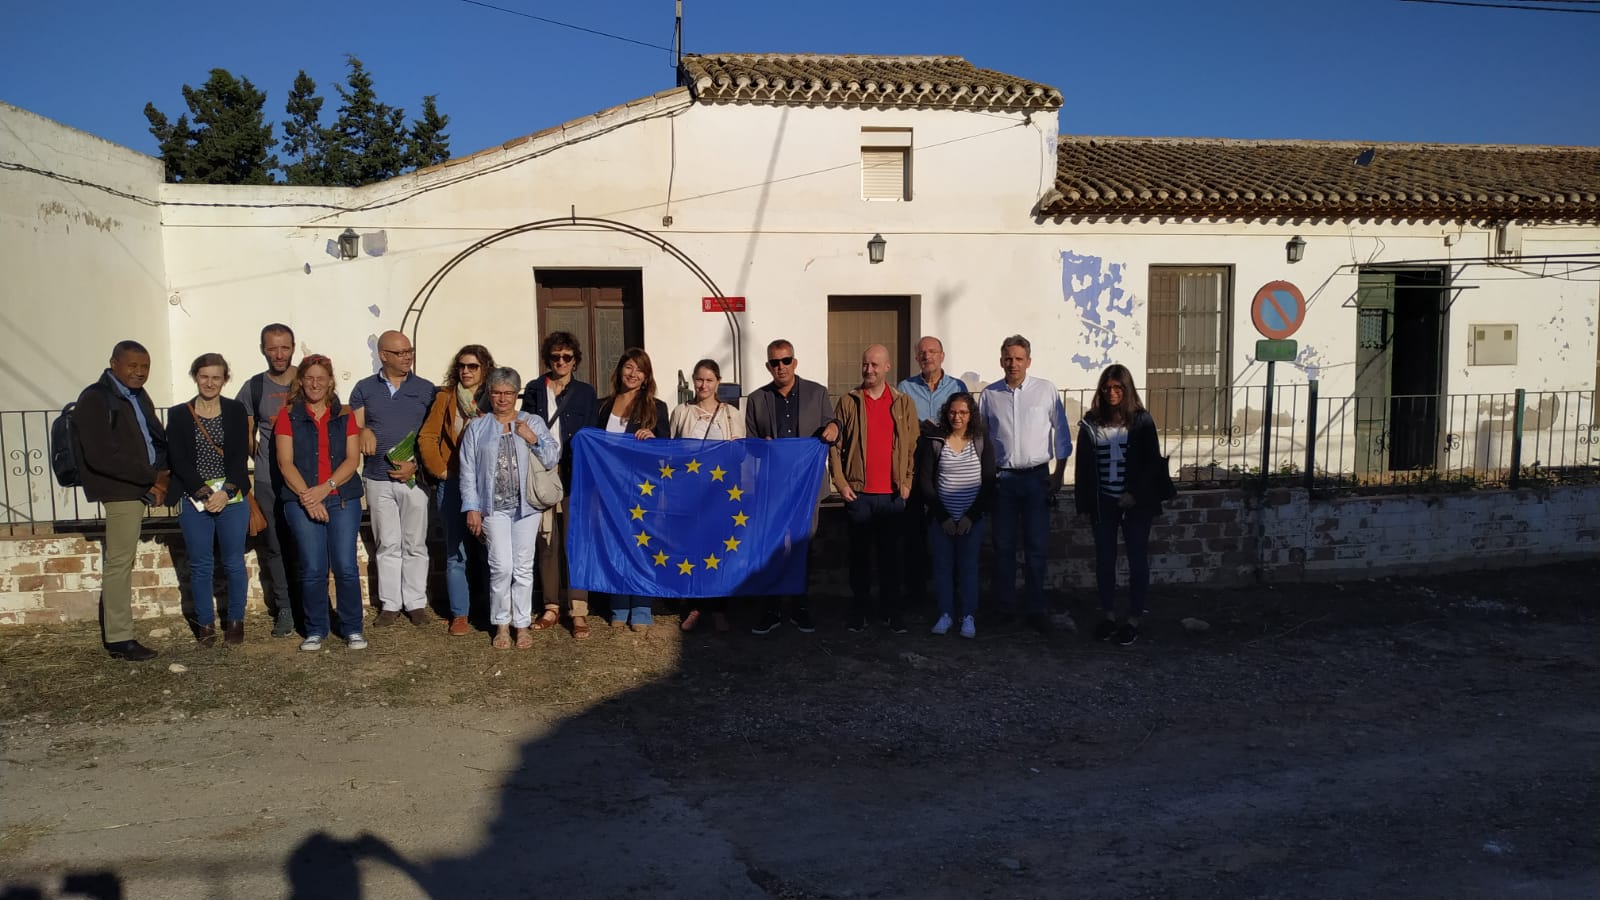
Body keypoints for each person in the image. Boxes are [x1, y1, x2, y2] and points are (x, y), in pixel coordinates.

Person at [75, 340, 169, 661]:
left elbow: (156, 438)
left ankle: (120, 634)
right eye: (132, 366)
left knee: (122, 560)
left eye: (144, 367)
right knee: (119, 563)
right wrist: (149, 477)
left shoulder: (138, 397)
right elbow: (102, 455)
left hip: (141, 484)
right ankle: (119, 638)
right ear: (114, 363)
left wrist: (162, 474)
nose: (139, 372)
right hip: (121, 489)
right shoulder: (95, 398)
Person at [743, 339, 839, 635]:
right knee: (771, 546)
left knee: (803, 545)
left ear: (795, 362)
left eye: (786, 361)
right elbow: (750, 445)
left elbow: (832, 425)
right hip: (772, 487)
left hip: (807, 486)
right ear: (768, 366)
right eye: (775, 362)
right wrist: (763, 447)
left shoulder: (817, 392)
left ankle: (800, 606)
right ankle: (771, 608)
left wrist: (834, 427)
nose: (781, 367)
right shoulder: (757, 399)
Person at [460, 368, 559, 650]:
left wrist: (533, 438)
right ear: (488, 394)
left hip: (526, 507)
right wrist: (472, 508)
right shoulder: (478, 428)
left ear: (517, 395)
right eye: (496, 392)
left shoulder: (532, 421)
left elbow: (553, 456)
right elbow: (468, 472)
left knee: (523, 567)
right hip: (493, 508)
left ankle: (522, 624)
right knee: (501, 566)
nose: (502, 398)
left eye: (508, 393)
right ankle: (501, 623)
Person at [979, 334, 1072, 634]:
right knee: (1003, 546)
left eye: (1019, 358)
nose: (1013, 363)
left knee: (1036, 547)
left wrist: (1058, 475)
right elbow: (984, 439)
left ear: (1028, 361)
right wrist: (987, 478)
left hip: (1036, 478)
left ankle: (1036, 607)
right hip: (1003, 481)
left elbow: (1061, 434)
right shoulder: (990, 395)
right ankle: (1005, 607)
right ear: (1001, 360)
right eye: (1008, 358)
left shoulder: (1045, 390)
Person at [273, 355, 365, 651]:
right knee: (313, 567)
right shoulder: (288, 415)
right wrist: (308, 498)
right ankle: (316, 629)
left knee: (346, 566)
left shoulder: (345, 416)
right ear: (300, 381)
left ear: (330, 382)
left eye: (320, 378)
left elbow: (353, 460)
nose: (315, 384)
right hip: (301, 500)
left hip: (341, 499)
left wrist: (325, 489)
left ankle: (352, 628)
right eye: (309, 378)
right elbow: (285, 464)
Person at [1075, 365, 1170, 647]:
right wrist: (1085, 503)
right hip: (1103, 501)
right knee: (1105, 560)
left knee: (1137, 558)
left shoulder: (1141, 421)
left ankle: (1133, 620)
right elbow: (1083, 466)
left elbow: (1152, 463)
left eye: (1118, 388)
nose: (1112, 393)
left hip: (1135, 504)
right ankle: (1108, 615)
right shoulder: (1091, 422)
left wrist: (1134, 494)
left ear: (1127, 390)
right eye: (1107, 388)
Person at [350, 330, 437, 628]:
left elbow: (432, 436)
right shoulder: (364, 388)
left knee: (415, 543)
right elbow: (355, 427)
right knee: (387, 543)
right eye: (400, 353)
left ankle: (415, 603)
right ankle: (390, 604)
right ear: (383, 355)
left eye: (409, 351)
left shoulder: (426, 390)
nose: (407, 356)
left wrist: (416, 466)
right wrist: (363, 431)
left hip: (414, 479)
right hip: (377, 478)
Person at [830, 344, 919, 633]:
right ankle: (860, 611)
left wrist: (906, 481)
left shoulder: (903, 402)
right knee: (859, 558)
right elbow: (835, 446)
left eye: (875, 365)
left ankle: (892, 612)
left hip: (892, 494)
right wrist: (841, 483)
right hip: (860, 494)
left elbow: (911, 446)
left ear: (887, 368)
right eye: (865, 364)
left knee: (891, 557)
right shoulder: (849, 401)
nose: (869, 370)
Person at [167, 354, 252, 646]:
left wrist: (224, 493)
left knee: (233, 563)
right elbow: (177, 459)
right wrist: (203, 493)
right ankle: (205, 624)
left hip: (232, 497)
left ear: (225, 379)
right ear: (195, 376)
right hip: (195, 500)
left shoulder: (236, 410)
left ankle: (236, 621)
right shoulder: (179, 414)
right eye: (204, 376)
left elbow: (241, 456)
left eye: (216, 377)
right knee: (201, 565)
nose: (210, 383)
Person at [521, 332, 598, 638]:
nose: (561, 362)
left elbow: (591, 434)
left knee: (575, 544)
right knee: (547, 542)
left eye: (567, 357)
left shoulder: (585, 392)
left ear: (575, 360)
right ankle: (551, 606)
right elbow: (523, 427)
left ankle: (578, 610)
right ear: (548, 359)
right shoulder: (534, 389)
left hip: (575, 476)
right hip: (542, 475)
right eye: (555, 357)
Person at [419, 344, 494, 637]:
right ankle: (460, 613)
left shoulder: (494, 397)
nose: (466, 371)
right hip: (453, 483)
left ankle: (492, 609)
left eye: (473, 366)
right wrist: (440, 469)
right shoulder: (446, 398)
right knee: (456, 551)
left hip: (487, 484)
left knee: (491, 549)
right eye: (462, 366)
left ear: (484, 368)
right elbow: (427, 436)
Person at [594, 348, 669, 632]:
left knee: (642, 545)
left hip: (642, 488)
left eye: (639, 370)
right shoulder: (602, 406)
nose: (633, 374)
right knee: (614, 544)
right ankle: (619, 604)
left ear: (647, 376)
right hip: (608, 488)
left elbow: (667, 448)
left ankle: (640, 604)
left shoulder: (656, 407)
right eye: (628, 367)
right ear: (619, 370)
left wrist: (653, 438)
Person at [668, 358, 746, 632]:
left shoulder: (730, 414)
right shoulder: (681, 412)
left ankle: (718, 608)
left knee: (719, 550)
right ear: (693, 381)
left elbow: (740, 454)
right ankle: (694, 606)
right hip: (689, 494)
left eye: (709, 380)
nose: (703, 385)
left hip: (720, 495)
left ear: (718, 383)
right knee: (691, 549)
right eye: (699, 379)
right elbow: (673, 451)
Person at [236, 323, 299, 637]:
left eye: (284, 347)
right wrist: (259, 458)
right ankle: (285, 608)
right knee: (273, 547)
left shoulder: (309, 381)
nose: (278, 354)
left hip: (304, 480)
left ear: (293, 347)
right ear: (263, 349)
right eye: (272, 348)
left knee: (308, 544)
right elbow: (244, 431)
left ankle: (309, 606)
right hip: (267, 480)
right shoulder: (254, 387)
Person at [917, 392, 995, 640]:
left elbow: (989, 482)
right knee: (942, 567)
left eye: (962, 412)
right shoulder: (936, 441)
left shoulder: (981, 441)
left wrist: (971, 516)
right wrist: (943, 517)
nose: (957, 417)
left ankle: (968, 615)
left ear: (971, 414)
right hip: (943, 521)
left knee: (968, 567)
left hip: (971, 521)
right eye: (952, 412)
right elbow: (926, 482)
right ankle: (946, 613)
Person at [896, 335, 964, 610]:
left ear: (942, 356)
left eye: (933, 352)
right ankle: (915, 595)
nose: (928, 357)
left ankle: (952, 595)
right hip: (915, 468)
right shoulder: (905, 387)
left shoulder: (957, 386)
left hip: (948, 471)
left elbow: (964, 424)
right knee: (914, 535)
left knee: (950, 531)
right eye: (922, 353)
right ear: (916, 358)